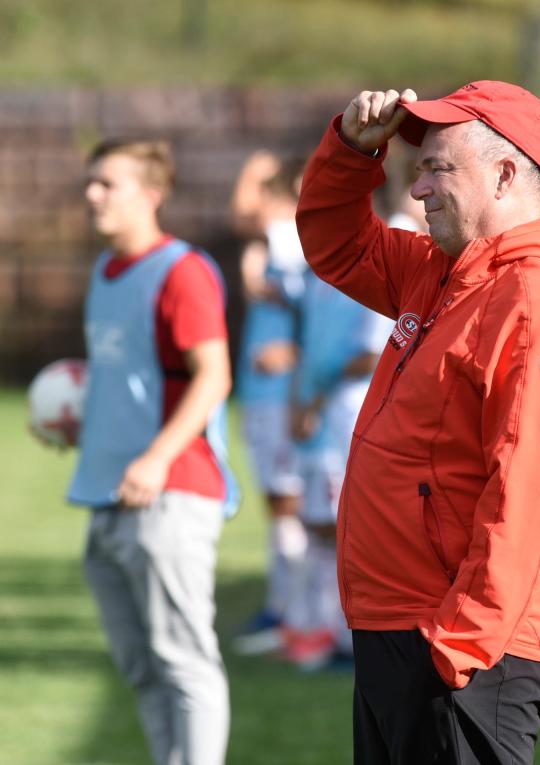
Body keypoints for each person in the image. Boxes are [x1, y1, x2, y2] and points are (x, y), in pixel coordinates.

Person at [295, 81, 540, 763]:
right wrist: (354, 152)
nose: (417, 191)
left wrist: (461, 644)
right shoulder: (446, 271)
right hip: (403, 626)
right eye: (416, 170)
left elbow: (529, 487)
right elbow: (335, 245)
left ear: (505, 174)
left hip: (462, 648)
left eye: (437, 167)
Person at [65, 139, 236, 765]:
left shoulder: (182, 270)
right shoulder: (103, 271)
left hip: (170, 494)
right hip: (107, 494)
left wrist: (157, 457)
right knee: (141, 668)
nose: (92, 196)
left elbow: (213, 376)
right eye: (91, 183)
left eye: (107, 184)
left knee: (184, 664)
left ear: (151, 195)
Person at [282, 272, 394, 669]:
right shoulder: (314, 278)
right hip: (319, 426)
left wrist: (314, 401)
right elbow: (307, 349)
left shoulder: (367, 278)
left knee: (345, 530)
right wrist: (298, 403)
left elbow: (372, 353)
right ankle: (323, 630)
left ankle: (349, 642)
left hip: (347, 421)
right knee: (317, 528)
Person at [230, 155, 310, 654]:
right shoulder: (280, 243)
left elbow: (337, 322)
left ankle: (295, 617)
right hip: (261, 395)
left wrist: (251, 172)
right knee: (279, 504)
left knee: (290, 504)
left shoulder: (301, 240)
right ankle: (285, 610)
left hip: (286, 396)